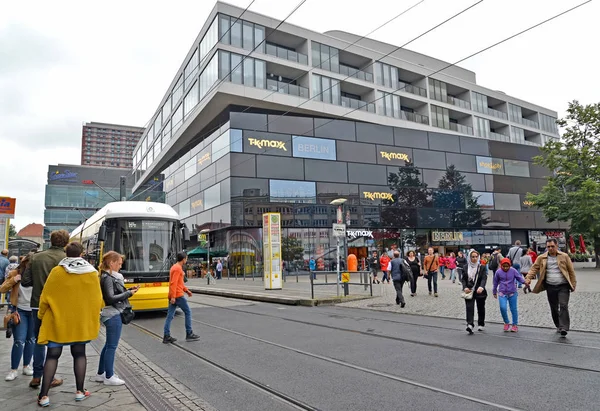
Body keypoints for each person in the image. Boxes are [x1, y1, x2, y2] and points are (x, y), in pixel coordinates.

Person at [36, 242, 104, 407]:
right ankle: (80, 391)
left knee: (52, 356)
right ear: (81, 254)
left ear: (66, 253)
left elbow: (45, 297)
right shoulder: (91, 273)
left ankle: (44, 395)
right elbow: (98, 300)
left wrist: (40, 315)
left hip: (58, 322)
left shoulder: (57, 272)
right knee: (80, 354)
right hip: (80, 323)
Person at [21, 229, 69, 389]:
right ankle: (51, 376)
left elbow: (25, 282)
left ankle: (36, 376)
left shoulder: (36, 257)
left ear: (51, 240)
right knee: (54, 341)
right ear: (66, 243)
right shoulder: (66, 259)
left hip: (37, 304)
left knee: (39, 340)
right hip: (59, 305)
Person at [96, 251, 139, 386]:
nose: (120, 266)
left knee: (108, 345)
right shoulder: (108, 277)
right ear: (111, 263)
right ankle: (109, 376)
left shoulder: (107, 276)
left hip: (110, 314)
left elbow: (113, 293)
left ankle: (100, 373)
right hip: (113, 314)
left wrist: (128, 289)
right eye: (119, 263)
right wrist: (128, 293)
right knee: (112, 346)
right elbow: (110, 298)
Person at [525, 238, 576, 337]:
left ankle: (564, 327)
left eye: (552, 246)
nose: (550, 248)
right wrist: (528, 278)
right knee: (554, 307)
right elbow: (534, 268)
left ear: (557, 246)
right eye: (548, 246)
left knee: (563, 305)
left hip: (563, 286)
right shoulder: (542, 258)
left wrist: (573, 284)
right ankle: (558, 325)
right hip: (550, 286)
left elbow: (571, 271)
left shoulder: (564, 256)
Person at [1, 253, 35, 381]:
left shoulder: (38, 275)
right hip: (19, 311)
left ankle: (27, 366)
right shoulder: (16, 273)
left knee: (31, 340)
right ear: (24, 263)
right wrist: (13, 280)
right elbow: (2, 289)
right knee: (19, 340)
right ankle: (13, 369)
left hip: (33, 311)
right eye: (29, 264)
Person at [163, 252, 200, 344]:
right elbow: (173, 283)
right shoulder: (177, 268)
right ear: (183, 259)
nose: (186, 260)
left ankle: (166, 336)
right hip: (178, 296)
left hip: (175, 295)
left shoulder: (175, 267)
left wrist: (187, 291)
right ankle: (189, 333)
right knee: (188, 312)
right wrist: (173, 297)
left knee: (170, 316)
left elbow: (179, 283)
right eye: (186, 259)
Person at [493, 258, 526, 332]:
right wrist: (494, 291)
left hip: (512, 292)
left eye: (507, 266)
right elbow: (495, 282)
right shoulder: (498, 272)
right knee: (503, 308)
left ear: (509, 265)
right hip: (502, 292)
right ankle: (506, 322)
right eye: (503, 266)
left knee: (513, 309)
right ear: (501, 266)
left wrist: (525, 282)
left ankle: (514, 325)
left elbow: (519, 278)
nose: (505, 268)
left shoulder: (513, 270)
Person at [461, 249, 488, 334]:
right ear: (469, 257)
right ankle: (470, 324)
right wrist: (464, 287)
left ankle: (481, 323)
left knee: (480, 308)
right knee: (469, 308)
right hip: (469, 290)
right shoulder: (465, 267)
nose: (475, 258)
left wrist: (481, 287)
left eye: (476, 257)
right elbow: (463, 279)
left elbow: (484, 278)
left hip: (479, 291)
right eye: (473, 257)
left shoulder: (482, 267)